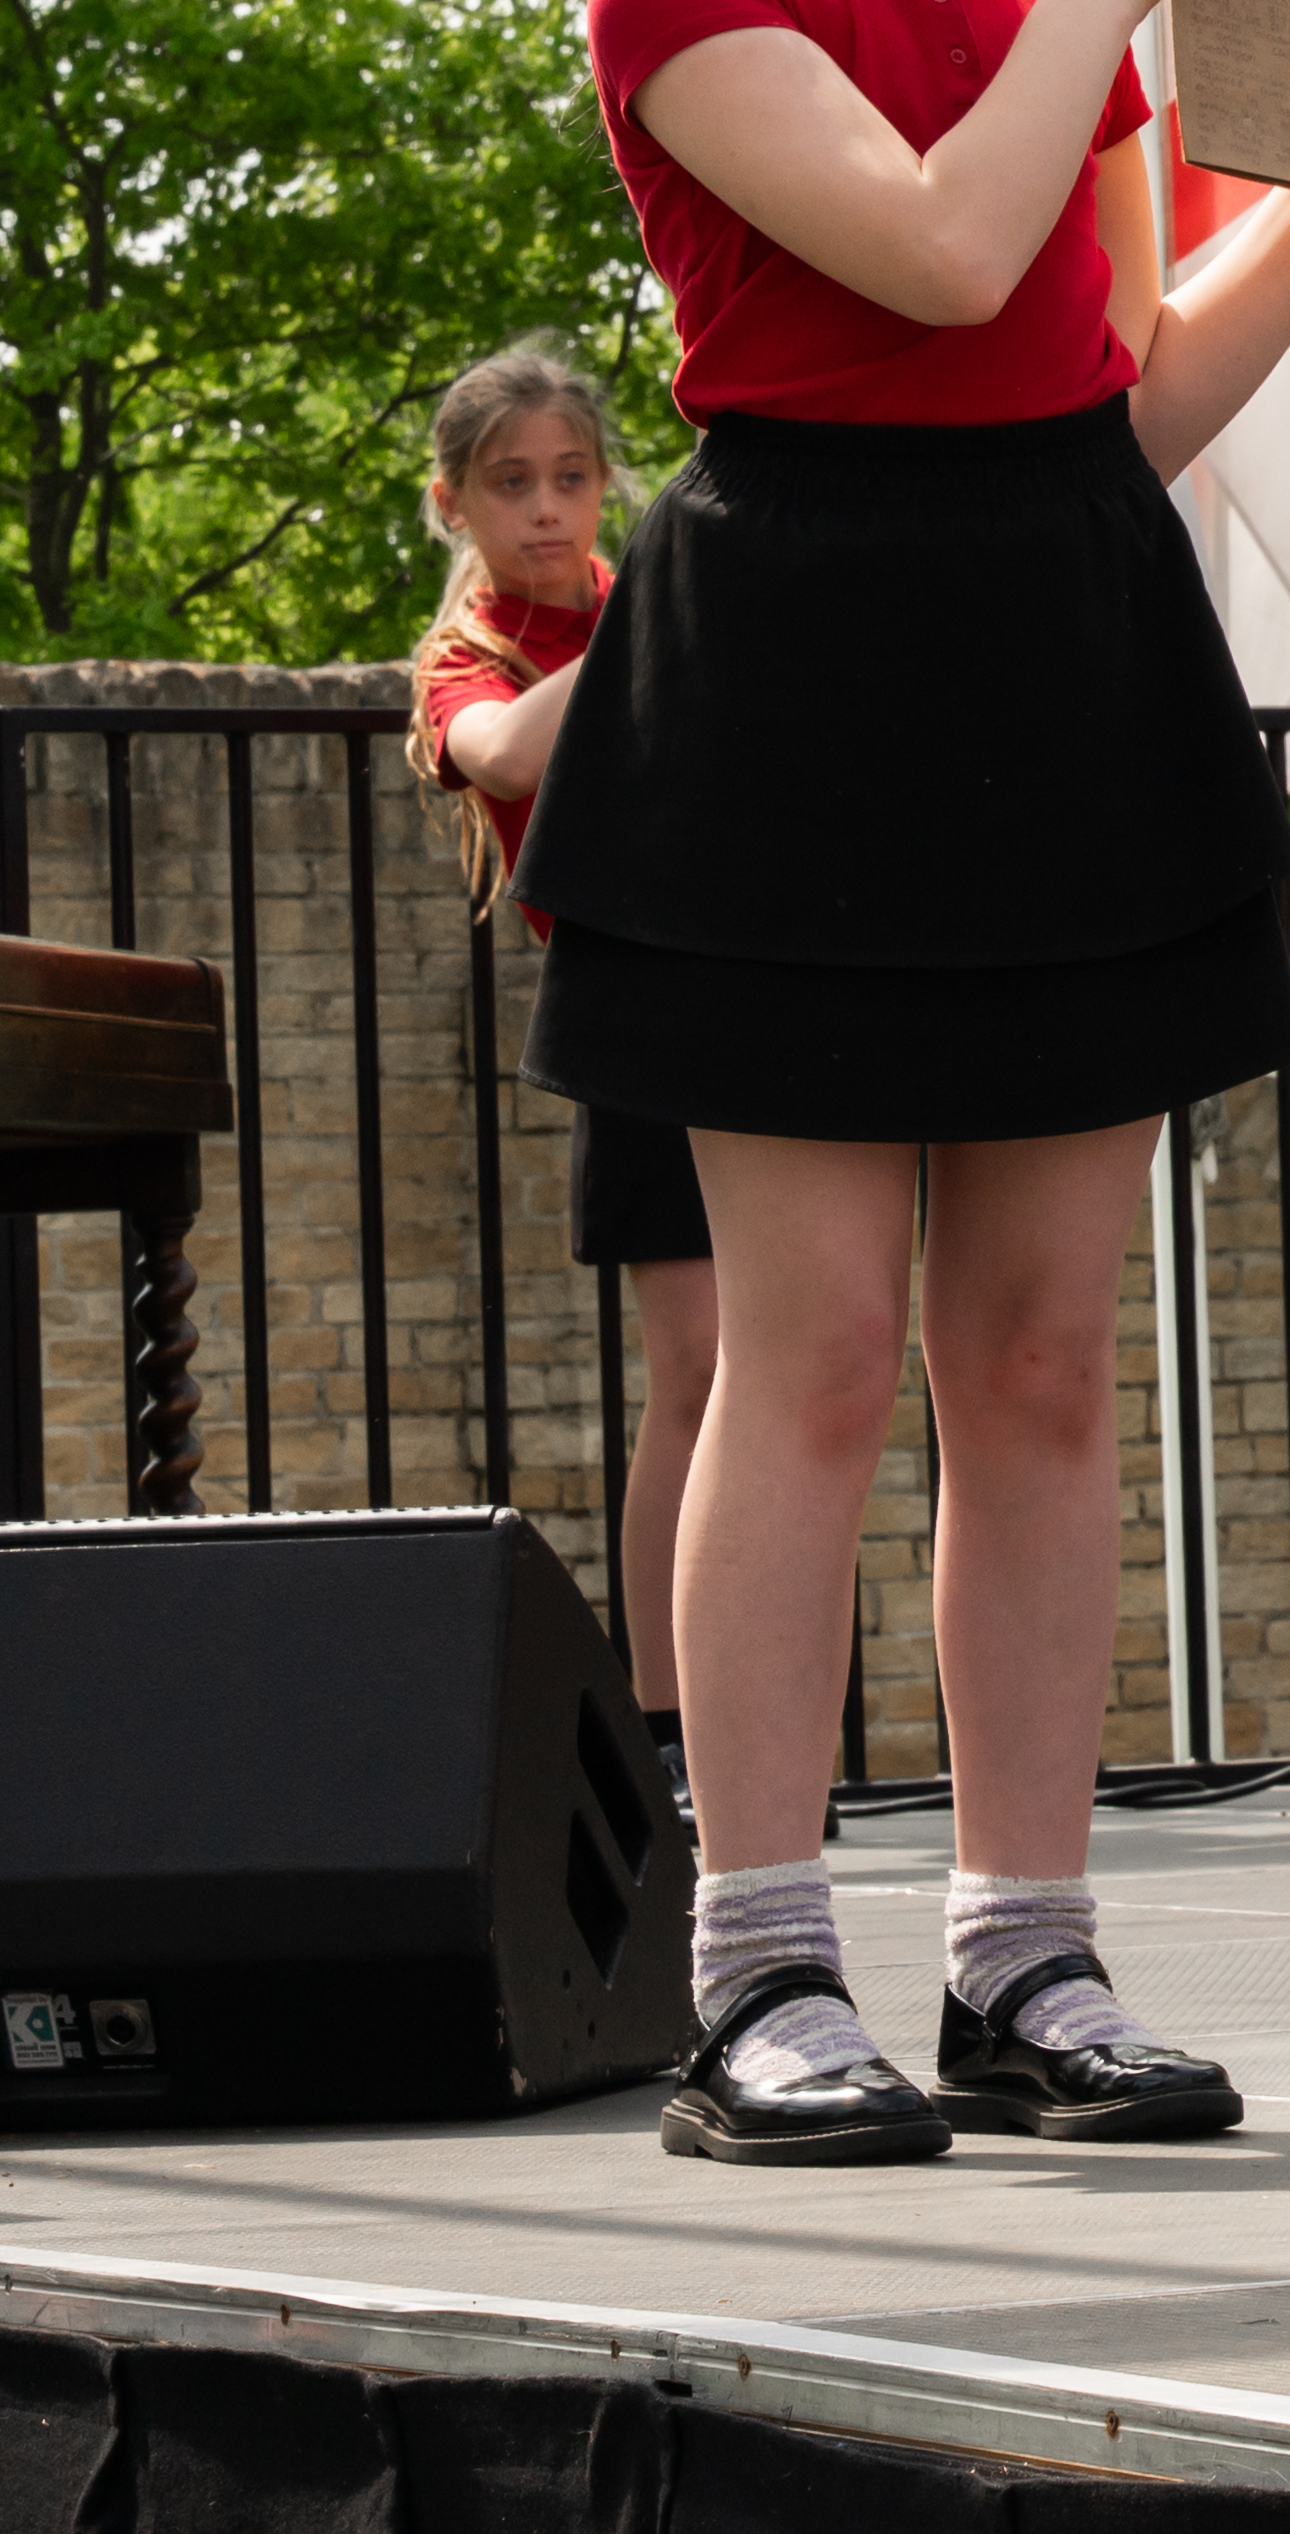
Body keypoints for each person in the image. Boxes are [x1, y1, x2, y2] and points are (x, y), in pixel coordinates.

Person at [536, 0, 1290, 2168]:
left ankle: (1025, 1956)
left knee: (1047, 1362)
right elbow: (939, 260)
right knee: (810, 1354)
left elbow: (1118, 391)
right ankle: (755, 1967)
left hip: (1065, 633)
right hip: (800, 675)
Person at [403, 341, 710, 1796]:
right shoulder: (474, 657)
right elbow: (508, 755)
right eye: (511, 482)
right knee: (701, 1371)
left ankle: (736, 1709)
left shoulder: (643, 596)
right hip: (633, 1004)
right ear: (454, 503)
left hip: (750, 982)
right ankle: (667, 1723)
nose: (547, 507)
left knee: (800, 1368)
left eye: (573, 478)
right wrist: (669, 611)